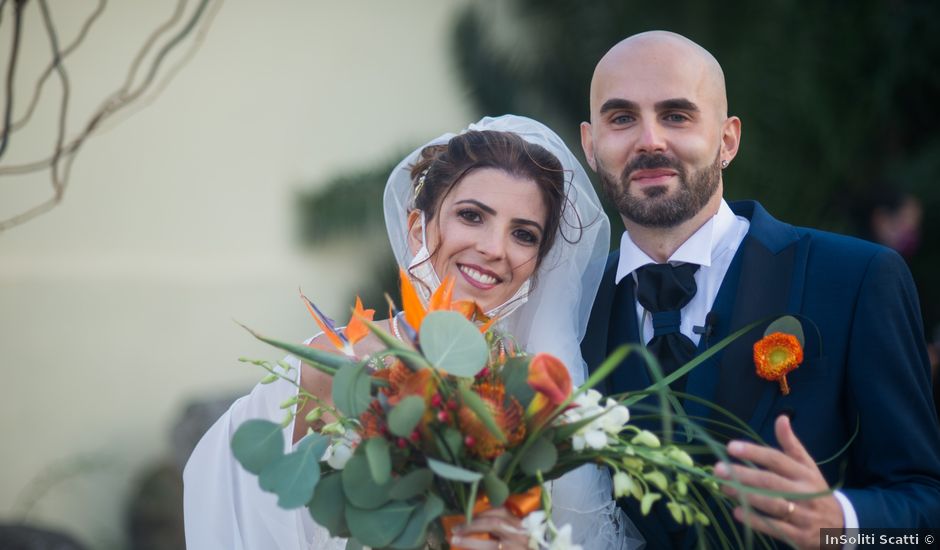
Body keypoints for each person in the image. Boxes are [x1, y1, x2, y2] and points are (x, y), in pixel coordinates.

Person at [183, 115, 642, 549]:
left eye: (523, 234)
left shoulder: (538, 396)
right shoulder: (334, 364)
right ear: (417, 227)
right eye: (472, 216)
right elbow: (231, 504)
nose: (493, 248)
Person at [578, 31, 940, 549]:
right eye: (621, 118)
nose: (650, 140)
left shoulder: (858, 279)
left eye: (677, 115)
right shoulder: (573, 309)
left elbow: (927, 514)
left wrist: (844, 527)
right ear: (591, 145)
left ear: (728, 139)